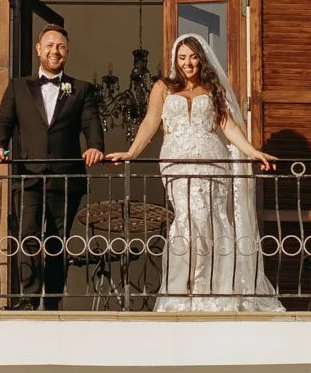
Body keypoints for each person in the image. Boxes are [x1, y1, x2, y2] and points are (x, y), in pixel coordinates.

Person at [108, 33, 283, 313]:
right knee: (188, 221)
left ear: (200, 59)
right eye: (181, 58)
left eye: (192, 57)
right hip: (177, 163)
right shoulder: (163, 88)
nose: (187, 63)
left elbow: (227, 126)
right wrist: (131, 153)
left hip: (213, 161)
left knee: (214, 220)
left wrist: (253, 151)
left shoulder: (212, 89)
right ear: (175, 61)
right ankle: (184, 292)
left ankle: (217, 291)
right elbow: (150, 122)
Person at [0, 24, 104, 310]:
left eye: (61, 46)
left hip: (66, 177)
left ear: (67, 52)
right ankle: (28, 297)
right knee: (27, 233)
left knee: (57, 240)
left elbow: (91, 122)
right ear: (39, 49)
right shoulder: (18, 86)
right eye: (50, 45)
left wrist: (95, 146)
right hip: (28, 174)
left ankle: (52, 300)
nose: (56, 51)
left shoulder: (81, 89)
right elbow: (5, 120)